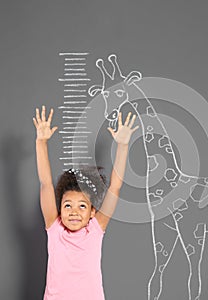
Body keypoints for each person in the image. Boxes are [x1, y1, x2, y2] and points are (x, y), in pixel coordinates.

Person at [33, 105, 138, 300]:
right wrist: (41, 142)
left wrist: (122, 146)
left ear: (92, 212)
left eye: (82, 206)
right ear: (59, 210)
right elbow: (46, 183)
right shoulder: (54, 229)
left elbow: (114, 187)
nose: (74, 212)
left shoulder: (95, 230)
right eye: (67, 205)